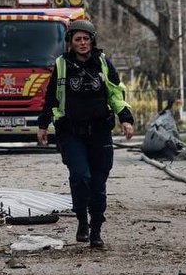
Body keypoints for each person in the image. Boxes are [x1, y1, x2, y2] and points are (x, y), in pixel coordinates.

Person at [37, 19, 135, 249]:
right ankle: (82, 219)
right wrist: (43, 125)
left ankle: (96, 229)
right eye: (77, 39)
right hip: (71, 132)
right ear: (70, 42)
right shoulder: (62, 65)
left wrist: (126, 118)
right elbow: (51, 98)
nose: (82, 43)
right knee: (81, 177)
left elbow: (115, 94)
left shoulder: (103, 63)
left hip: (100, 132)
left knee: (98, 184)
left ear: (92, 40)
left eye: (86, 38)